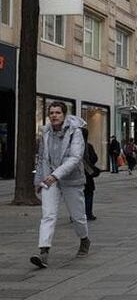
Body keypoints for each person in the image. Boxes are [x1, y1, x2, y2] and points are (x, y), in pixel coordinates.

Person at [30, 102, 91, 269]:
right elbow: (42, 157)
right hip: (49, 179)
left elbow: (75, 157)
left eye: (58, 112)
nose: (54, 115)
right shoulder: (46, 132)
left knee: (77, 216)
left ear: (64, 115)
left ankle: (84, 240)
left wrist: (55, 176)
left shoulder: (75, 132)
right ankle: (44, 252)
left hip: (71, 179)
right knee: (48, 215)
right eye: (51, 113)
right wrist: (39, 181)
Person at [81, 128, 99, 221]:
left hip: (76, 175)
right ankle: (88, 213)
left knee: (77, 196)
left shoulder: (72, 146)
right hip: (87, 174)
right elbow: (95, 158)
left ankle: (76, 215)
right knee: (88, 194)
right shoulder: (88, 146)